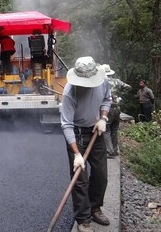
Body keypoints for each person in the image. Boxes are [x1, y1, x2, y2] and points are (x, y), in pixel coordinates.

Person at [61, 56, 112, 232]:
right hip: (76, 133)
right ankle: (83, 219)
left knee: (101, 175)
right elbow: (66, 124)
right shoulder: (70, 92)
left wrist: (103, 118)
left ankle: (95, 208)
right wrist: (76, 154)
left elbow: (107, 99)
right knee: (80, 179)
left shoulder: (103, 80)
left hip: (95, 131)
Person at [101, 64, 131, 158]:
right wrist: (120, 97)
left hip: (107, 108)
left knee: (106, 130)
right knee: (114, 130)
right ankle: (114, 149)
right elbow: (128, 87)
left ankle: (109, 151)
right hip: (117, 108)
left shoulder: (102, 82)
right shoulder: (117, 82)